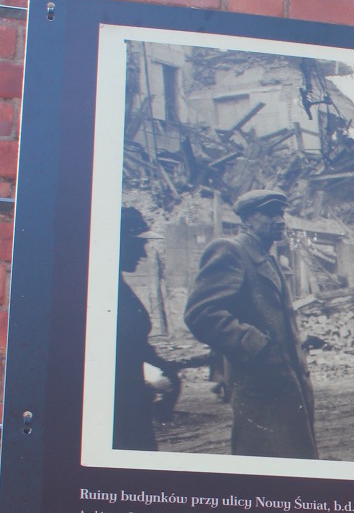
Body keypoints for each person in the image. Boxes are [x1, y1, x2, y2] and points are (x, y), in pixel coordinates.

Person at [184, 189, 317, 459]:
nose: (280, 219)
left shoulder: (267, 258)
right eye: (270, 213)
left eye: (281, 213)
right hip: (260, 386)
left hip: (284, 384)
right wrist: (254, 344)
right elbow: (201, 313)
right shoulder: (231, 251)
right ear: (247, 221)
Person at [114, 206, 180, 451]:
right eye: (137, 244)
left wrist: (164, 366)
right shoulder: (98, 289)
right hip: (118, 407)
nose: (143, 253)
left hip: (132, 400)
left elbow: (132, 343)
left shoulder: (118, 285)